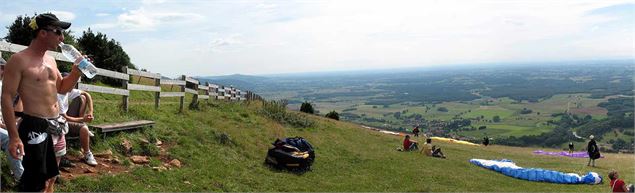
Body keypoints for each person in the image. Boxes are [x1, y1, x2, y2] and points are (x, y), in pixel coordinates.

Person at [1, 13, 82, 192]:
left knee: (51, 177)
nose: (62, 38)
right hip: (34, 127)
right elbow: (6, 97)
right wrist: (14, 137)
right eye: (58, 32)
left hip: (56, 125)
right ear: (43, 33)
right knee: (35, 184)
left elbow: (61, 88)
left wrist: (75, 72)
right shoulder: (19, 60)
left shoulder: (51, 60)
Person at [58, 87, 97, 166]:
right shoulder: (57, 95)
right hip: (60, 121)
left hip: (65, 118)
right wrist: (83, 119)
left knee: (82, 97)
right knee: (83, 129)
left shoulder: (66, 89)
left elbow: (87, 94)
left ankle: (82, 123)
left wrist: (90, 112)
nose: (73, 87)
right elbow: (65, 117)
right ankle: (87, 154)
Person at [0, 60, 24, 181]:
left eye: (4, 68)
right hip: (1, 126)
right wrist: (8, 127)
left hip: (3, 123)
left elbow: (15, 111)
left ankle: (18, 169)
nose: (3, 71)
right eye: (1, 68)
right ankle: (21, 176)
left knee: (24, 133)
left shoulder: (4, 85)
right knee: (11, 139)